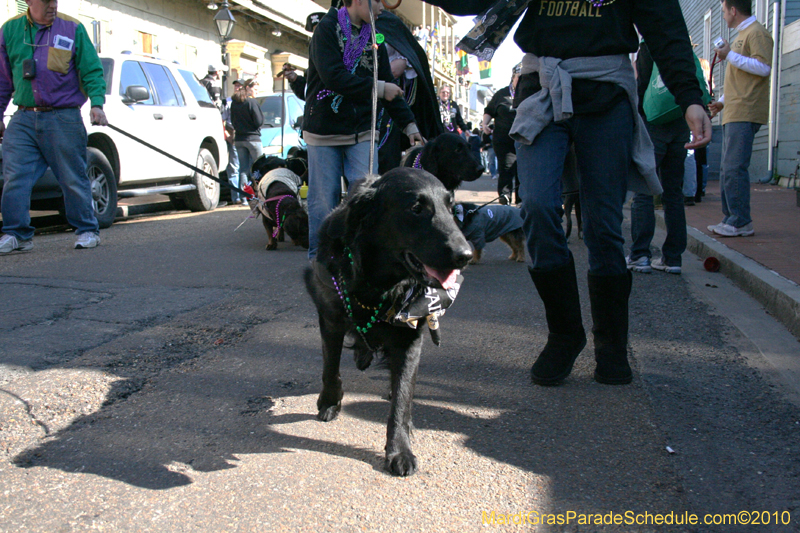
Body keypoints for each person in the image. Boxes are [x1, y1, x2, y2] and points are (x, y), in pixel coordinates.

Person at [426, 0, 711, 386]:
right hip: (542, 86)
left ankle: (611, 345)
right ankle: (564, 334)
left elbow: (666, 27)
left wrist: (690, 96)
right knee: (539, 207)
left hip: (607, 91)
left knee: (602, 223)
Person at [302, 0, 422, 260]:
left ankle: (361, 259)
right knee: (324, 200)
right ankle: (321, 260)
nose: (382, 8)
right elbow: (332, 76)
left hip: (364, 130)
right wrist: (379, 89)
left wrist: (409, 124)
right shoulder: (326, 28)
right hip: (324, 130)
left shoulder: (374, 37)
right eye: (378, 1)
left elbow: (390, 85)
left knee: (366, 198)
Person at [0, 0, 108, 254]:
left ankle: (87, 230)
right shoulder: (10, 30)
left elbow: (92, 70)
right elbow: (3, 79)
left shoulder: (73, 28)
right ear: (29, 1)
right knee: (14, 177)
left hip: (63, 116)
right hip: (24, 116)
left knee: (72, 177)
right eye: (46, 0)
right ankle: (17, 234)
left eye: (55, 0)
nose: (53, 5)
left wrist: (97, 103)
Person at [707, 0, 773, 238]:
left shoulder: (757, 33)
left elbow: (763, 67)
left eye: (724, 11)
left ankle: (740, 221)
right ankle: (731, 218)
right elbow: (741, 77)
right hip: (734, 110)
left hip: (746, 110)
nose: (724, 16)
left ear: (733, 10)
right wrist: (722, 102)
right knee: (727, 169)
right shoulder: (742, 36)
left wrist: (731, 55)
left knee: (735, 167)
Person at [627, 41, 691, 276]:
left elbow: (642, 86)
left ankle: (640, 254)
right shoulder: (681, 44)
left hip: (654, 123)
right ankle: (673, 258)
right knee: (673, 192)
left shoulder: (648, 47)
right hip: (680, 120)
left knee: (644, 188)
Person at [375, 9, 444, 173]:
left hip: (389, 100)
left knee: (386, 148)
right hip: (360, 102)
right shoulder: (344, 27)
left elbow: (396, 69)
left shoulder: (389, 23)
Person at [482, 64, 519, 204]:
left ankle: (521, 202)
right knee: (506, 168)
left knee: (522, 171)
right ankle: (505, 199)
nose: (521, 81)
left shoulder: (529, 93)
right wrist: (485, 124)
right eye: (518, 78)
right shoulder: (502, 94)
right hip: (504, 140)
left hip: (525, 139)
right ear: (513, 78)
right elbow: (489, 110)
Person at [230, 78, 263, 204]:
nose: (256, 91)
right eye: (255, 89)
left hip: (239, 139)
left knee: (243, 169)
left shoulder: (235, 102)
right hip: (253, 138)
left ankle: (244, 197)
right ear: (248, 88)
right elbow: (259, 121)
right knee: (258, 167)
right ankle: (259, 194)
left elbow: (232, 121)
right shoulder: (251, 102)